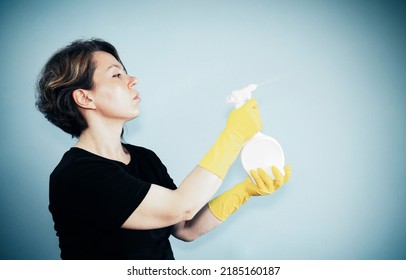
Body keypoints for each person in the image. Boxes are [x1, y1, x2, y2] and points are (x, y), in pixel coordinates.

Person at [35, 38, 291, 260]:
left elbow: (185, 227)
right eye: (116, 75)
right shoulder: (77, 175)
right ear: (85, 97)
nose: (132, 80)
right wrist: (233, 136)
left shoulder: (145, 159)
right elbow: (181, 206)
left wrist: (245, 191)